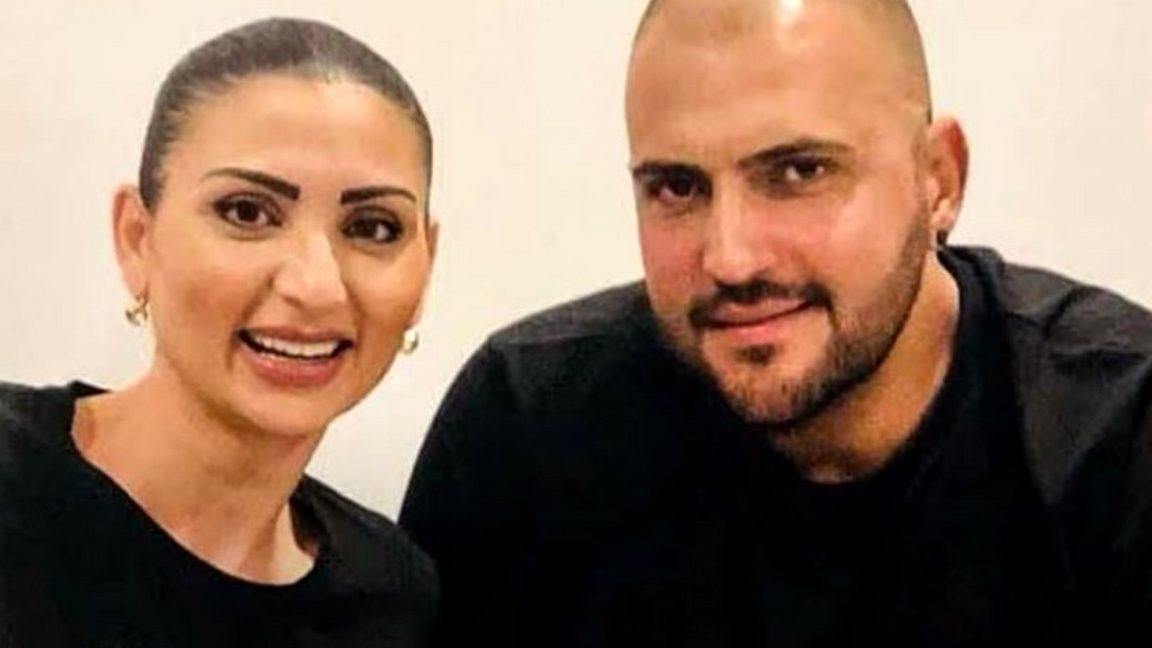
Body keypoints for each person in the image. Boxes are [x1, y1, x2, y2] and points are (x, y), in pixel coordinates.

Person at [399, 0, 1152, 645]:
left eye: (798, 172)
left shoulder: (1116, 442)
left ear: (939, 179)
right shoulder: (528, 427)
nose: (730, 257)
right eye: (676, 187)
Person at [0, 17, 439, 646]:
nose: (316, 285)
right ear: (137, 238)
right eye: (248, 212)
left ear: (427, 265)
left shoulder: (392, 600)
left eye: (373, 228)